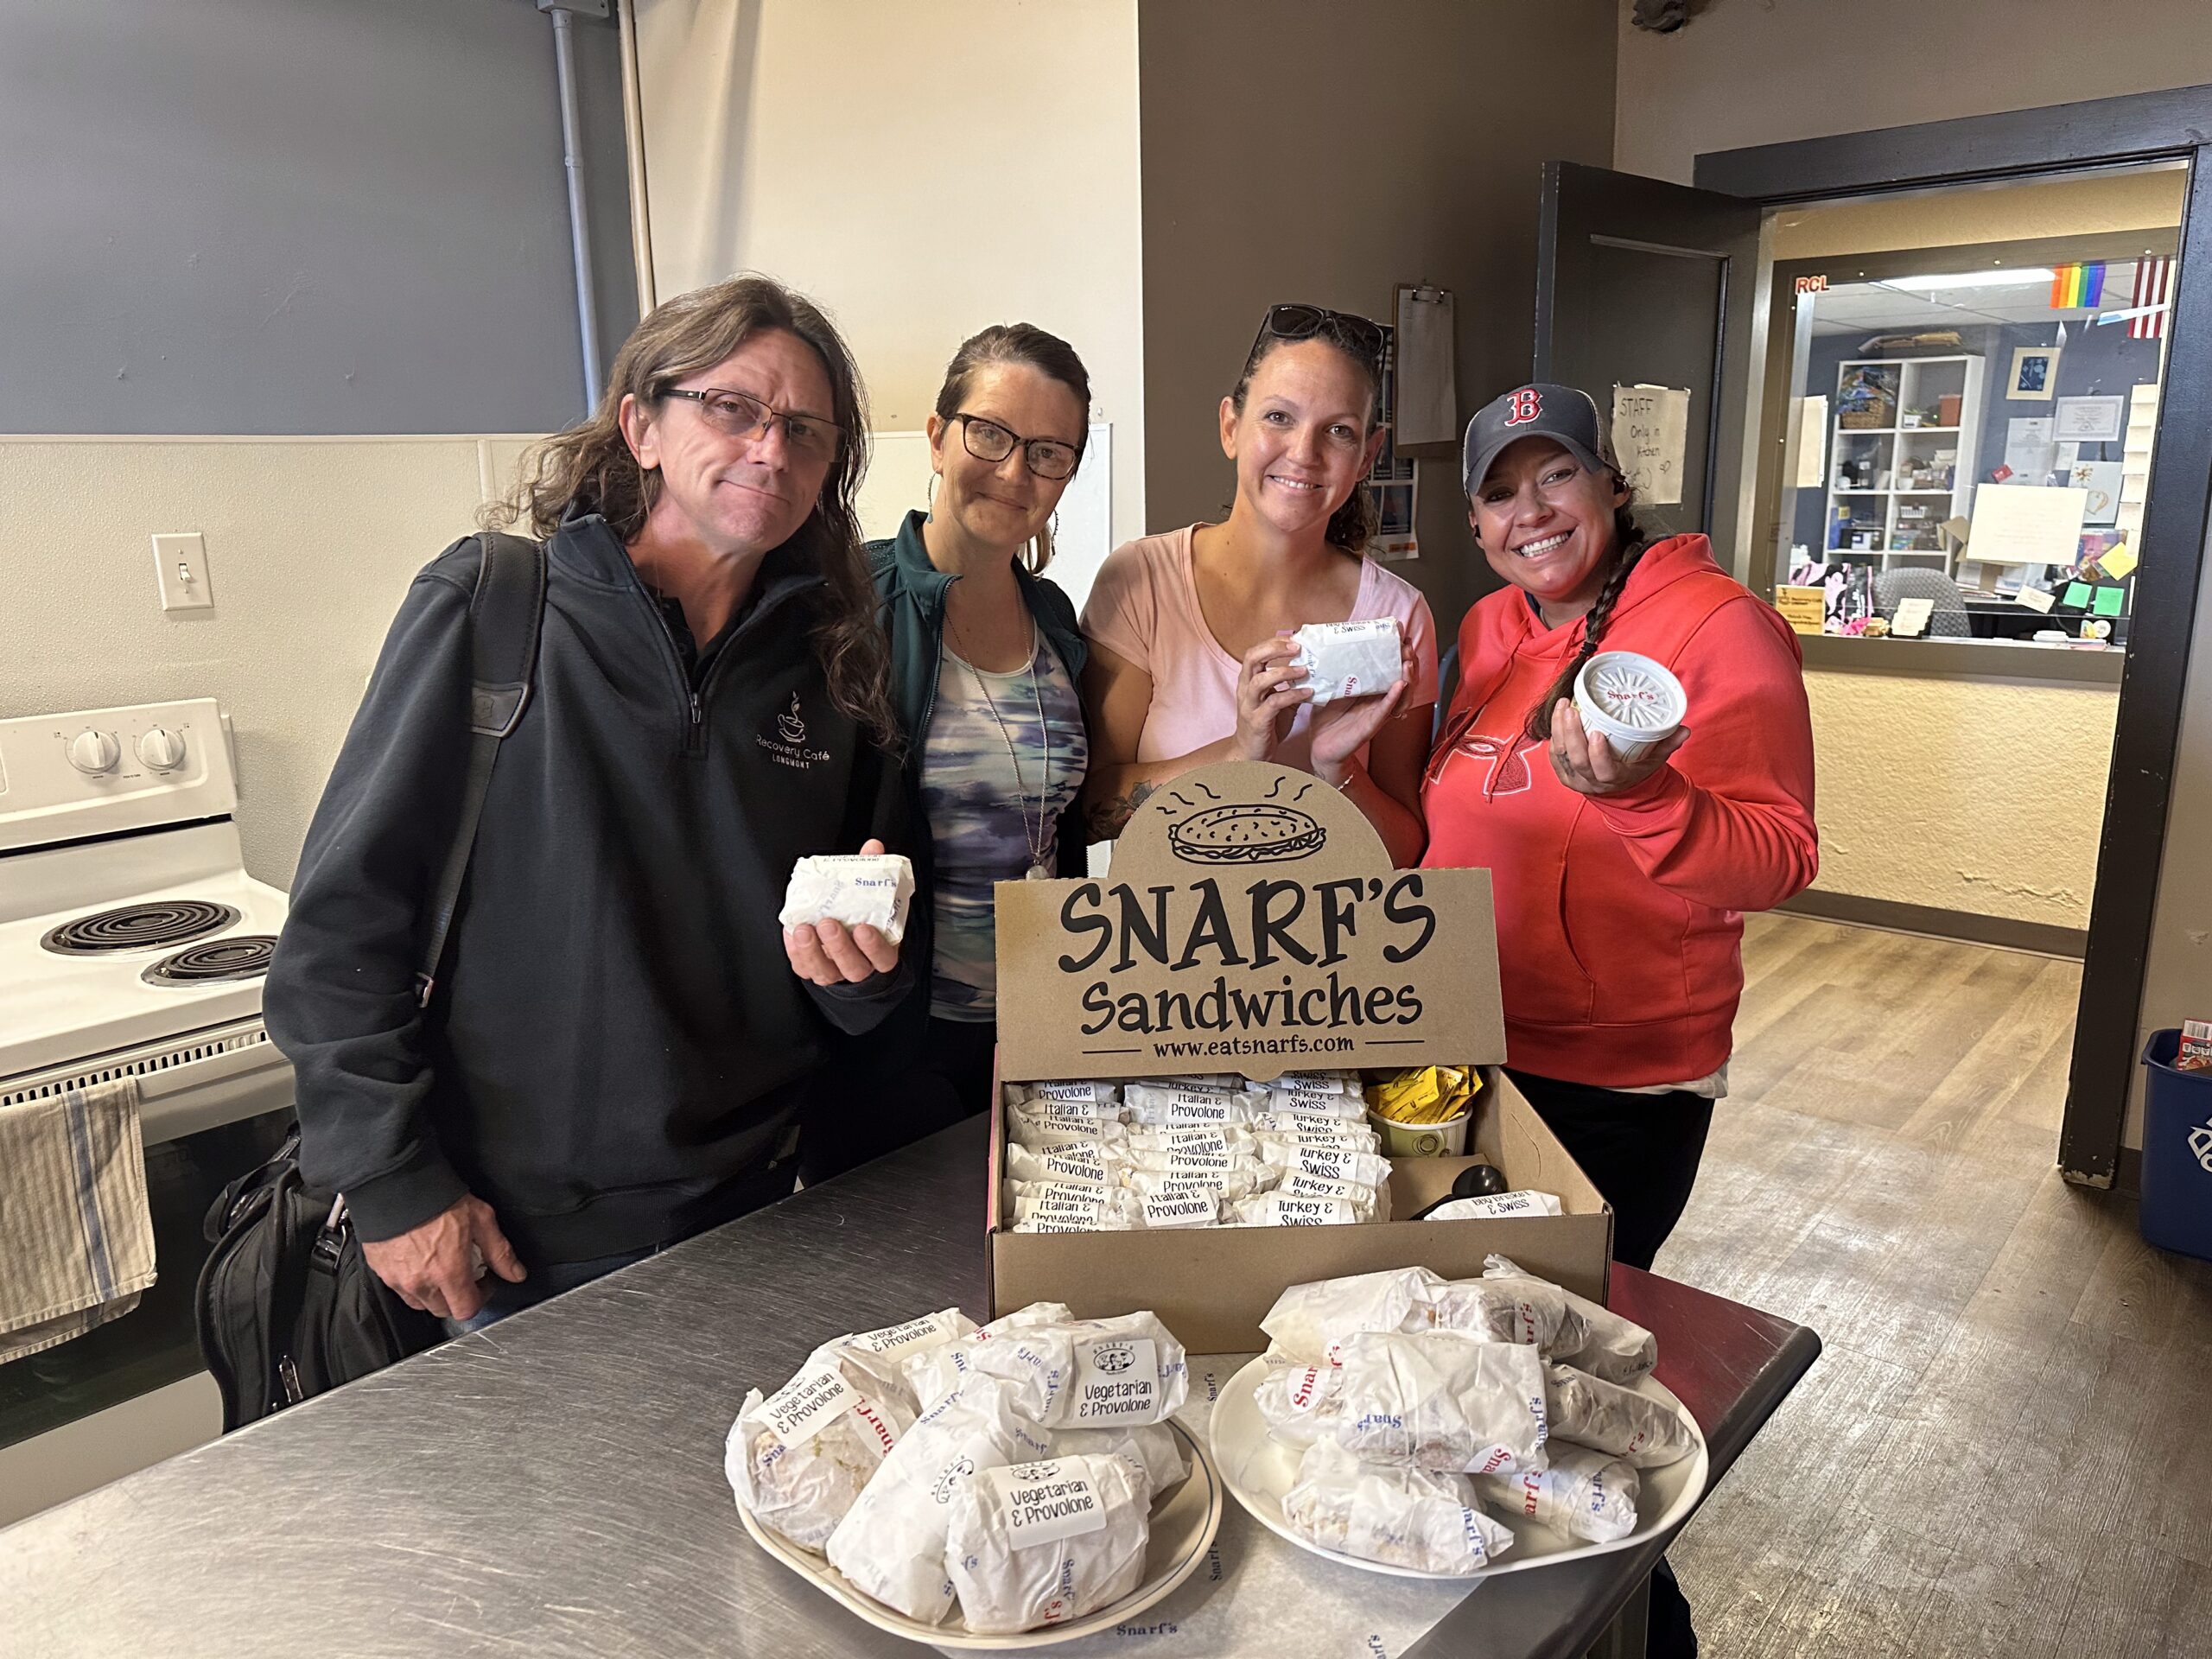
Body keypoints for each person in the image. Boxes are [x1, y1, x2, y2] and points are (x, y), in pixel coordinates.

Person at [265, 276, 912, 1329]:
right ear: (640, 427)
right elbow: (343, 927)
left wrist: (861, 973)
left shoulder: (836, 671)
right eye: (732, 408)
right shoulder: (494, 610)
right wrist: (391, 1182)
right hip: (507, 1243)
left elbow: (860, 987)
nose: (770, 449)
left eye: (805, 429)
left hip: (759, 1213)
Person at [1422, 383, 1817, 1658]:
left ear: (1611, 484)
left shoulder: (1717, 627)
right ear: (1475, 521)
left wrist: (1650, 800)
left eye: (1557, 477)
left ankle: (1641, 1630)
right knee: (1479, 1373)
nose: (1531, 512)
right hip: (1465, 1058)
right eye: (1501, 491)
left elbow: (1780, 853)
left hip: (1616, 1087)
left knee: (1555, 1392)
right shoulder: (1488, 627)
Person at [804, 325, 1092, 1179]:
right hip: (892, 1041)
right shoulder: (846, 605)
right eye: (990, 434)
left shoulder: (1054, 619)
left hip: (1038, 1032)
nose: (1015, 472)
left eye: (1048, 453)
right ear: (937, 436)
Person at [1080, 304, 1436, 864]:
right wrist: (1239, 753)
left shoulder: (1399, 615)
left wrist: (1337, 766)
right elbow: (1087, 811)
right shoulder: (1140, 582)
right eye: (1278, 417)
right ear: (1231, 427)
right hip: (1168, 920)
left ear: (1368, 455)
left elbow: (1406, 853)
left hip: (1333, 923)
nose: (1304, 453)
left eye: (1338, 431)